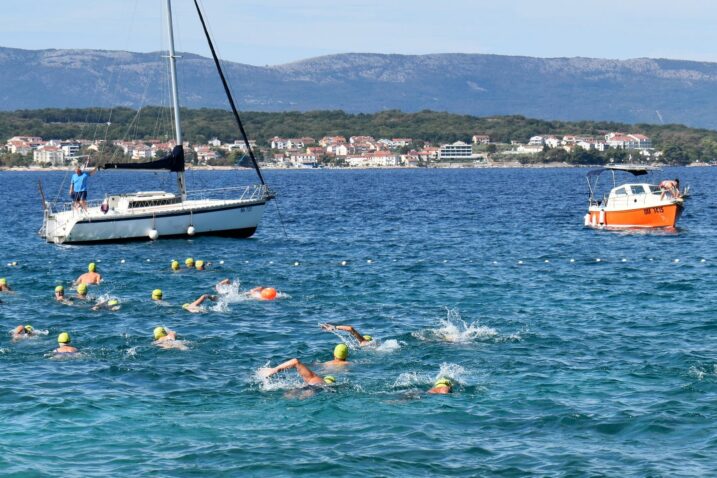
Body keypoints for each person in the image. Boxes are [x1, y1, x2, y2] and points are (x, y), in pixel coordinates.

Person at [260, 358, 336, 386]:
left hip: (309, 388)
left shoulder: (314, 378)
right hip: (314, 393)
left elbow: (295, 361)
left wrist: (274, 370)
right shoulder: (324, 386)